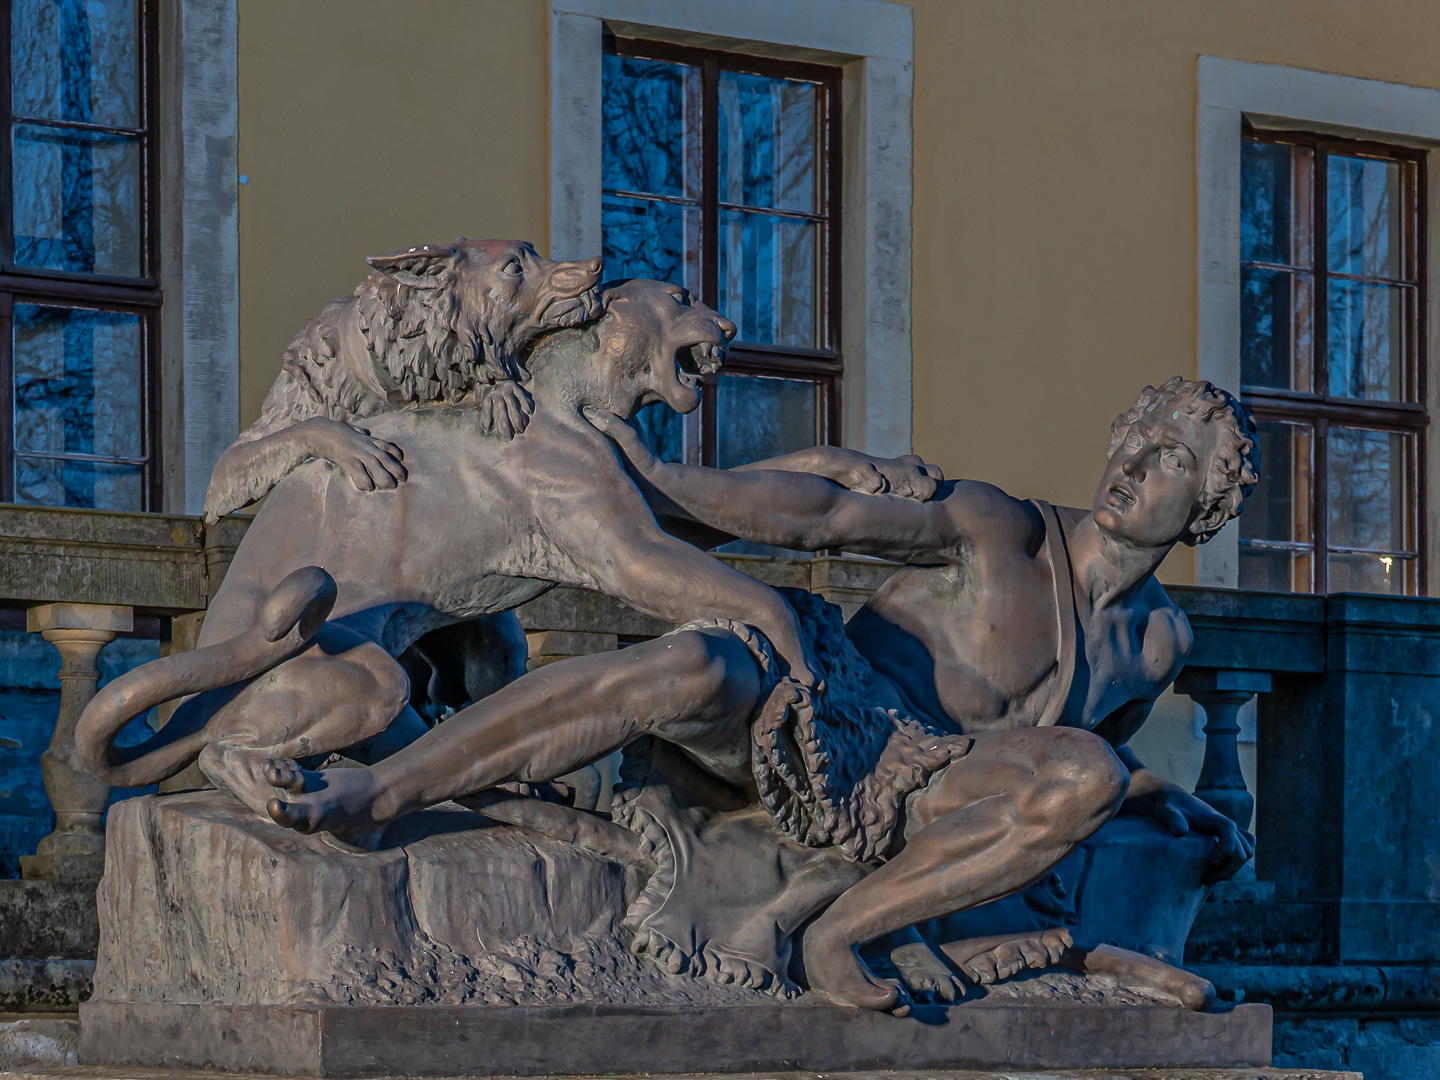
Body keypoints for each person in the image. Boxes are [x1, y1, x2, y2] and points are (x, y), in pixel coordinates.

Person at [266, 376, 1259, 1011]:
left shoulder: (1157, 642)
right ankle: (383, 792)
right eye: (1135, 437)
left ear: (1206, 504)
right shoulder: (1008, 532)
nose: (1132, 465)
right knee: (695, 666)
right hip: (837, 708)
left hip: (932, 789)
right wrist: (657, 484)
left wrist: (1176, 800)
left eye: (1169, 457)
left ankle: (841, 933)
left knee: (1085, 774)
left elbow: (1074, 771)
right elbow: (826, 515)